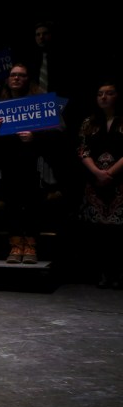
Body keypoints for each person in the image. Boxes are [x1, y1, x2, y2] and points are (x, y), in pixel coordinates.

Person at [0, 63, 57, 264]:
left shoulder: (40, 103)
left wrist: (35, 137)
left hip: (33, 163)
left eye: (21, 75)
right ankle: (16, 244)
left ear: (29, 79)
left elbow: (57, 133)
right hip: (9, 165)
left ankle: (31, 246)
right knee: (13, 205)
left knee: (33, 204)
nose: (16, 78)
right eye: (13, 75)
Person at [76, 78, 122, 288]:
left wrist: (110, 172)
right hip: (95, 182)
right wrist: (97, 172)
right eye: (100, 93)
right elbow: (83, 150)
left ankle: (119, 273)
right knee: (98, 232)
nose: (104, 97)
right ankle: (102, 273)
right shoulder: (89, 122)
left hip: (120, 181)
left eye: (109, 93)